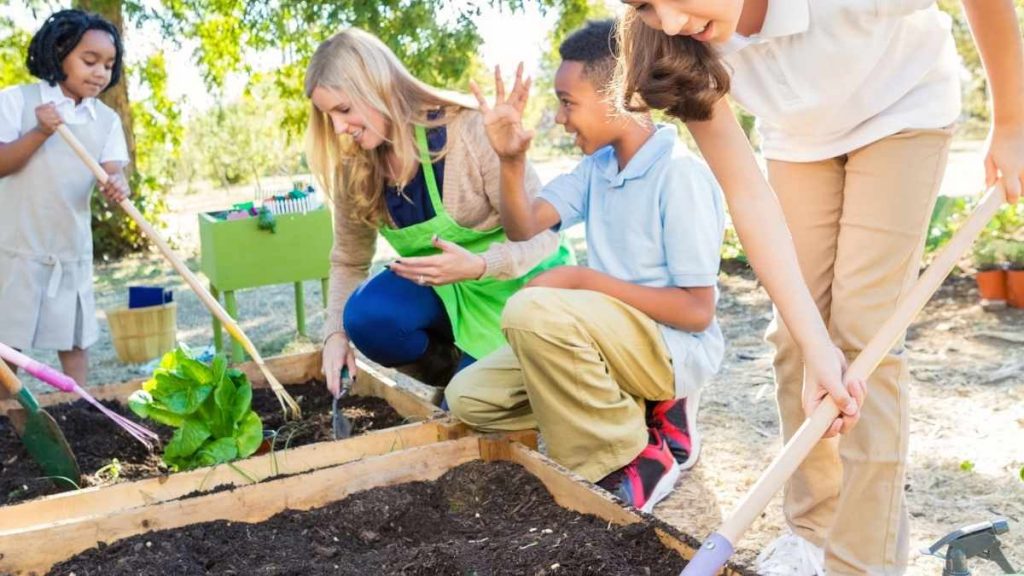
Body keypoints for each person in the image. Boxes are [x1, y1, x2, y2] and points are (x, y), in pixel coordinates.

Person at [616, 1, 1024, 573]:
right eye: (643, 6)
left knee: (864, 342)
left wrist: (1011, 123)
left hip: (902, 115)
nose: (671, 21)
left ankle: (863, 562)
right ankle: (812, 533)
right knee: (795, 339)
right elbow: (747, 194)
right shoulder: (676, 44)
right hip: (800, 141)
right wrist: (813, 344)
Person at [446, 19, 726, 514]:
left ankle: (636, 456)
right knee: (470, 397)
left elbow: (697, 311)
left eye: (567, 102)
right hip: (611, 341)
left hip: (672, 347)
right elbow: (524, 225)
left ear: (621, 94)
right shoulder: (597, 168)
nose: (558, 118)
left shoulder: (678, 174)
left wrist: (583, 281)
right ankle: (631, 411)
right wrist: (510, 161)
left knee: (532, 313)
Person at [305, 28, 573, 397]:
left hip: (521, 289)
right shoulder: (355, 168)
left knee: (474, 410)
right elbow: (349, 261)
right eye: (328, 116)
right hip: (451, 295)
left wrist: (481, 265)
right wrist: (335, 335)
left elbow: (545, 236)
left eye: (344, 109)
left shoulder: (469, 131)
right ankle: (457, 377)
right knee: (366, 316)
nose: (338, 127)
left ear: (377, 88)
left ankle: (520, 371)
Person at [0, 9, 131, 386]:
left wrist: (117, 184)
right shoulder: (18, 102)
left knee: (75, 342)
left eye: (108, 64)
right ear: (59, 53)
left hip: (68, 247)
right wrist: (40, 131)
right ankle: (7, 416)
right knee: (8, 345)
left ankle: (79, 408)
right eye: (89, 61)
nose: (100, 72)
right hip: (17, 247)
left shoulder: (104, 120)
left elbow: (114, 172)